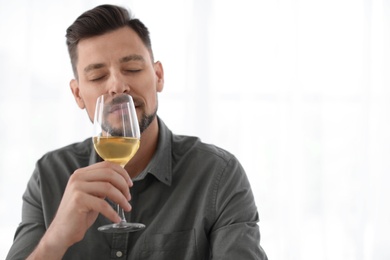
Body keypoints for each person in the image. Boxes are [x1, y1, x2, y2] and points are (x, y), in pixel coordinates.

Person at [6, 4, 267, 260]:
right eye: (97, 77)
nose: (118, 86)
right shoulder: (49, 175)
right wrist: (56, 239)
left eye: (132, 69)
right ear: (78, 94)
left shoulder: (217, 175)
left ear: (158, 76)